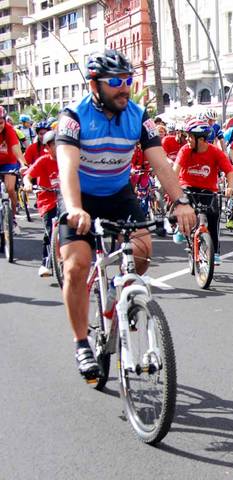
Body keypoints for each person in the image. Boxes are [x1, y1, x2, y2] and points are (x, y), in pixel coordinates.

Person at [55, 48, 195, 380]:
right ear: (94, 85)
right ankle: (81, 343)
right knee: (76, 266)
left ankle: (121, 303)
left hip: (119, 195)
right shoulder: (73, 117)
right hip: (81, 196)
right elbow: (67, 169)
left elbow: (160, 163)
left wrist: (180, 201)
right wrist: (74, 208)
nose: (124, 88)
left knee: (143, 253)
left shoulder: (138, 116)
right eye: (115, 81)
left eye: (128, 80)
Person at [173, 118, 233, 265]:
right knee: (182, 207)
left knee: (213, 217)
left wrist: (230, 187)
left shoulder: (215, 152)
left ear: (201, 139)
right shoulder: (185, 150)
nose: (187, 139)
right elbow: (175, 171)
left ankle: (216, 252)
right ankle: (179, 228)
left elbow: (229, 171)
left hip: (208, 189)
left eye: (190, 136)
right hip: (187, 186)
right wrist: (174, 188)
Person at [23, 130, 60, 277]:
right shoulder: (43, 160)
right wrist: (28, 184)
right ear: (47, 147)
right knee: (50, 232)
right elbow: (28, 176)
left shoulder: (68, 159)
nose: (58, 147)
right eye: (54, 145)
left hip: (66, 199)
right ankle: (46, 263)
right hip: (47, 201)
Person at [0, 106, 28, 232]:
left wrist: (23, 163)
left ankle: (12, 217)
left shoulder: (9, 130)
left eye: (0, 123)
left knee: (10, 189)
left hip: (9, 162)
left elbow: (16, 148)